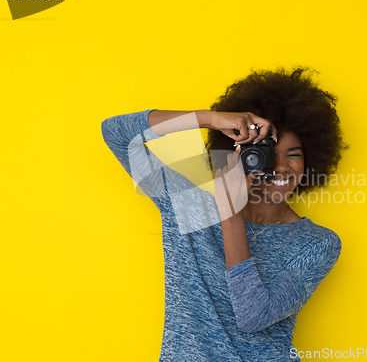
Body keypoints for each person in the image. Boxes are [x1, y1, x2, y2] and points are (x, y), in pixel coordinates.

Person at [100, 66, 349, 361]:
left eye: (293, 155)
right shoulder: (189, 207)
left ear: (311, 162)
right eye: (267, 154)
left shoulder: (318, 243)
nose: (281, 167)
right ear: (240, 155)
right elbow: (115, 133)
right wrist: (208, 119)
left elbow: (254, 315)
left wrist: (231, 212)